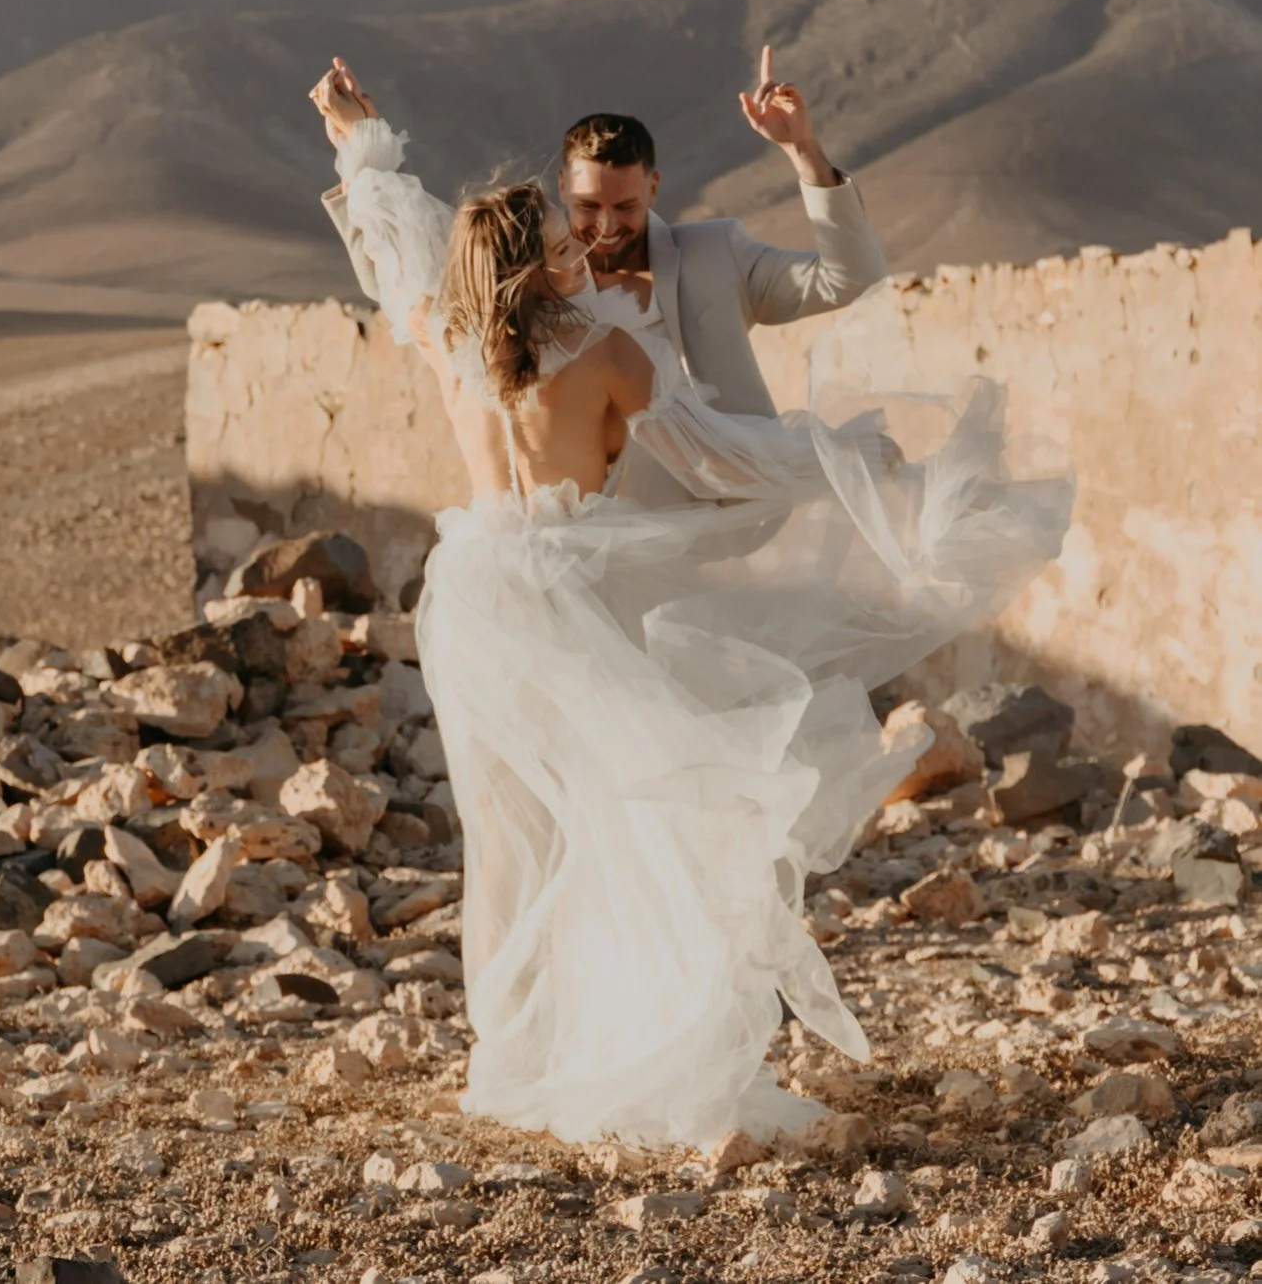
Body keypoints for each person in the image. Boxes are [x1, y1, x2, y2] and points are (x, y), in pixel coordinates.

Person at [302, 55, 1072, 1150]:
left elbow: (396, 236)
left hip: (475, 595)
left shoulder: (446, 332)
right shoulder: (608, 354)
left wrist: (356, 141)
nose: (590, 252)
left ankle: (518, 1047)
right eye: (569, 242)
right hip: (578, 594)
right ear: (536, 265)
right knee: (646, 808)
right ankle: (643, 1040)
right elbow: (721, 457)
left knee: (515, 831)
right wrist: (843, 452)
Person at [324, 50, 888, 505]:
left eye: (627, 207)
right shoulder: (535, 280)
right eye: (589, 208)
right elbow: (395, 270)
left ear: (655, 189)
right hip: (604, 555)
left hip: (704, 533)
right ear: (562, 190)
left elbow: (849, 277)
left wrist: (804, 151)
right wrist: (360, 145)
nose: (606, 228)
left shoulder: (718, 254)